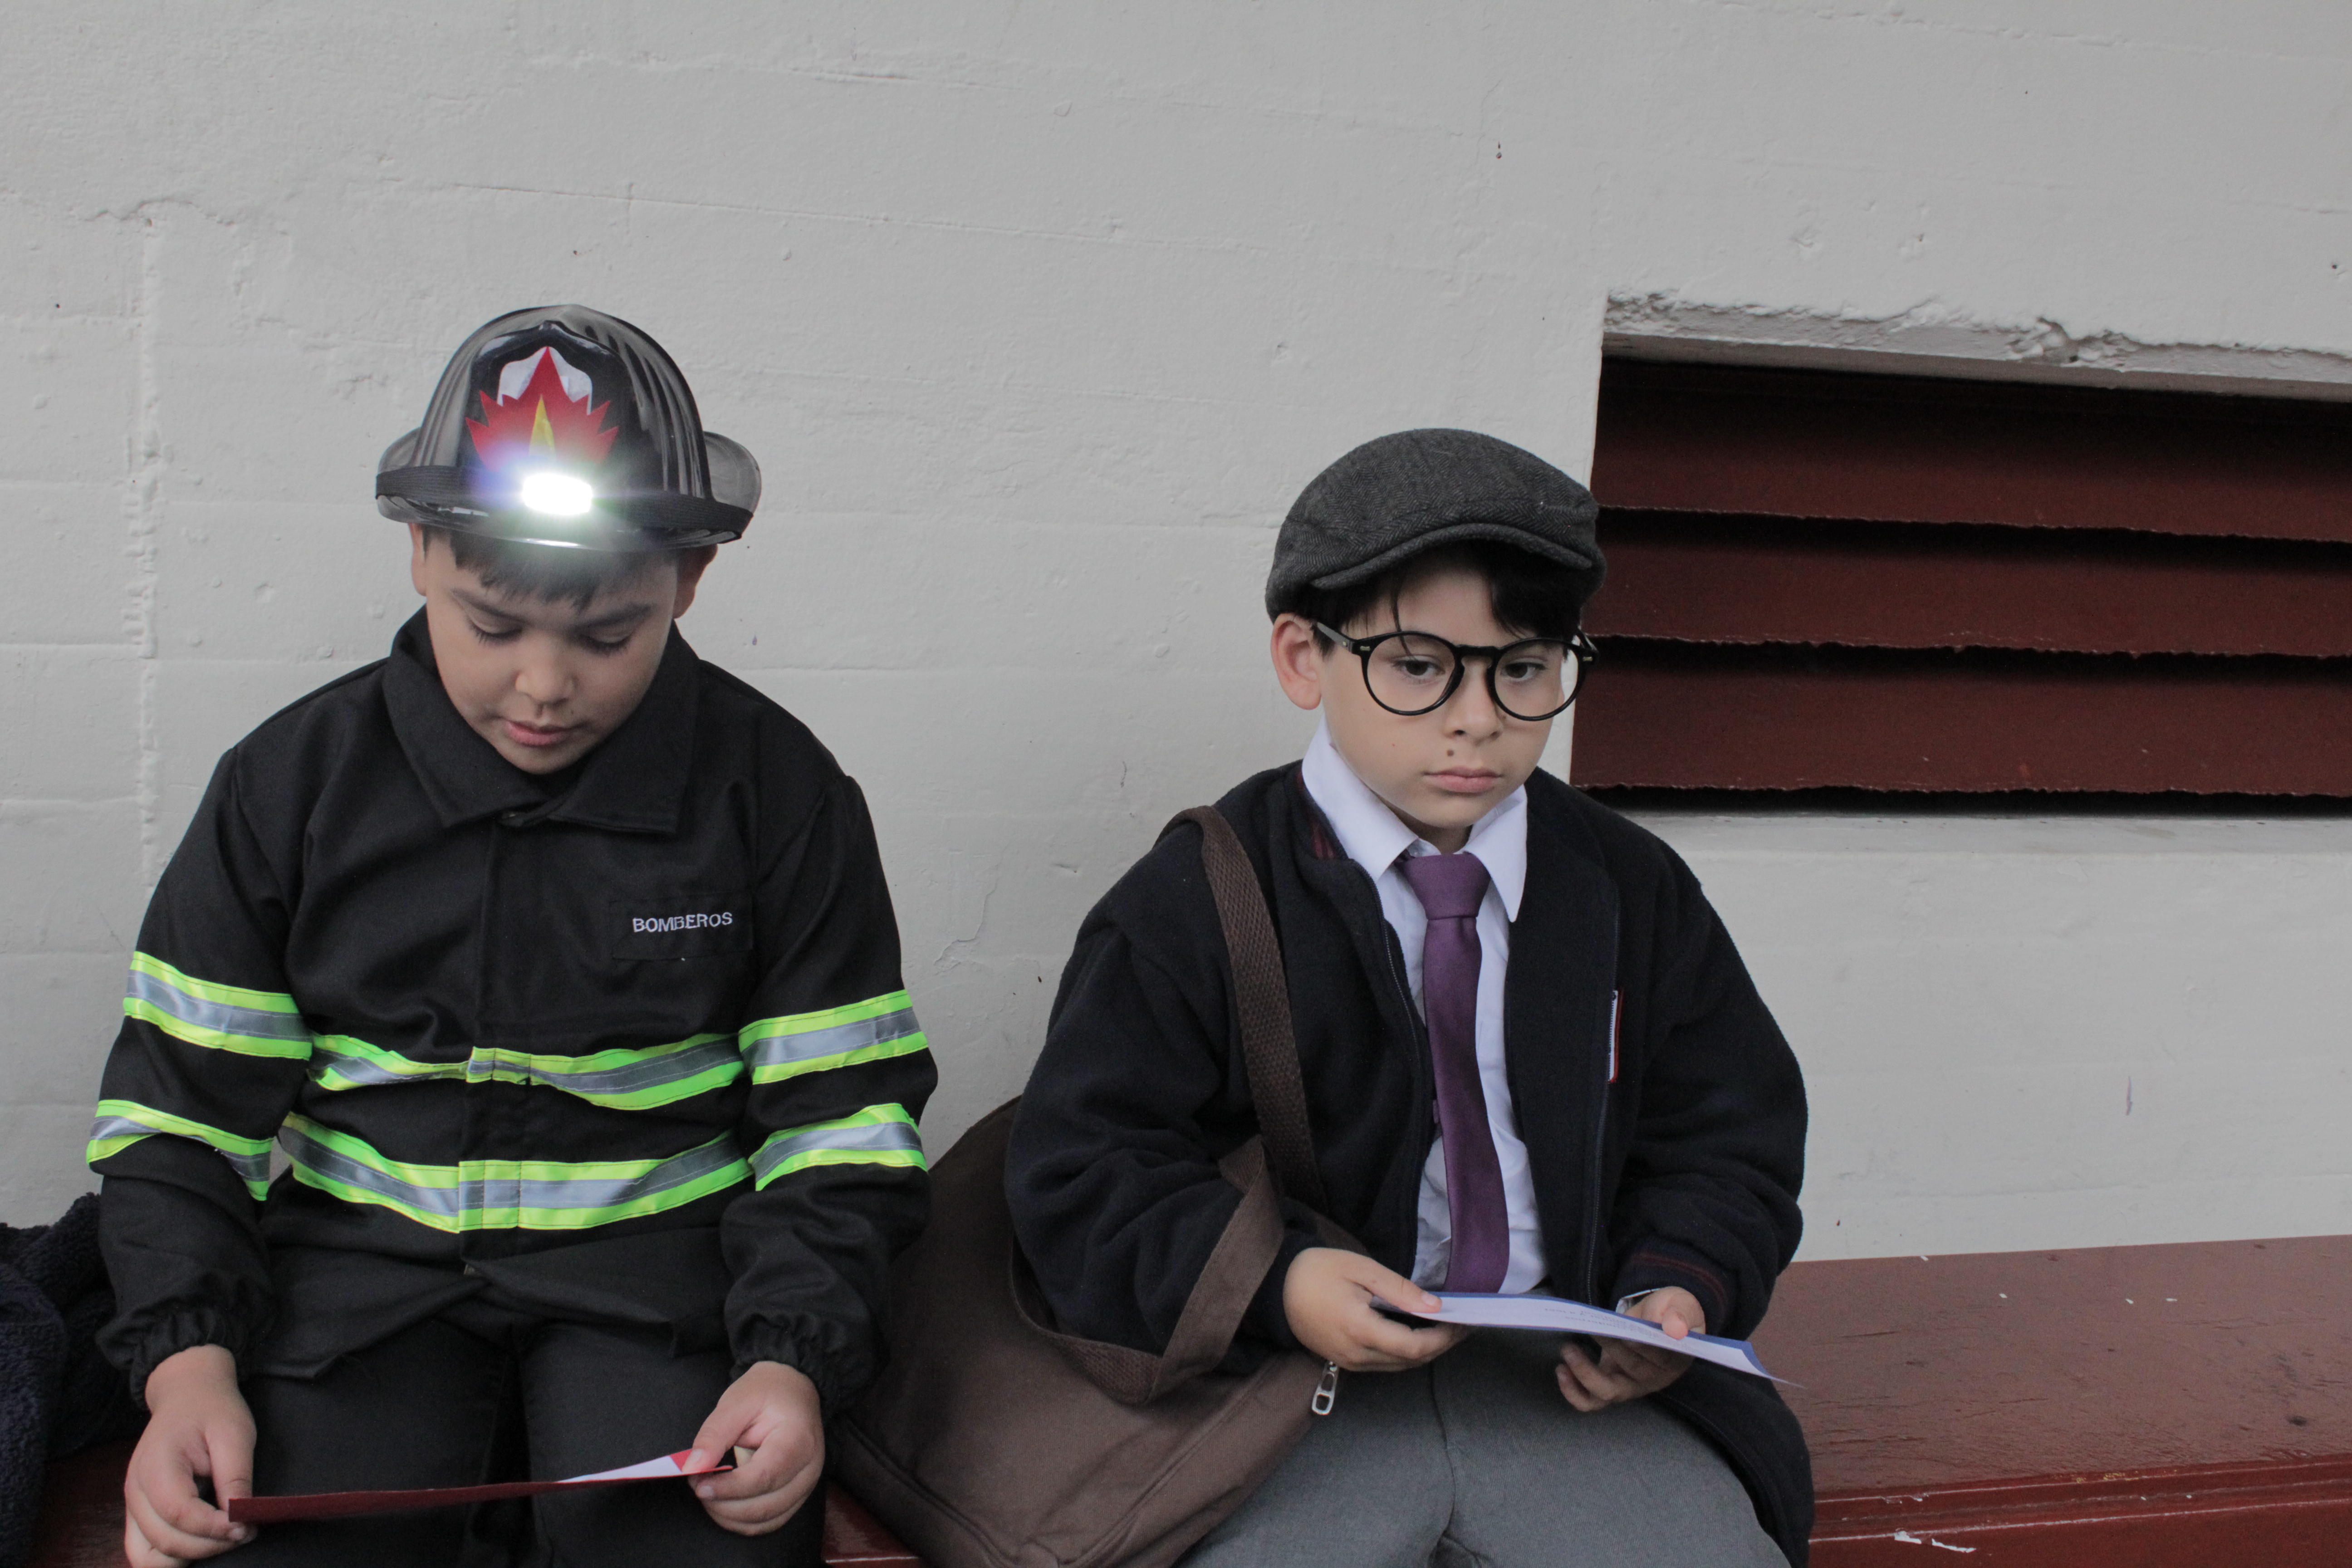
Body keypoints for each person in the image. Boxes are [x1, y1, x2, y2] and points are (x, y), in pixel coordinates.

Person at [88, 306, 935, 1568]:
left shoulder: (782, 797)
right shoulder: (288, 787)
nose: (544, 684)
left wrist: (792, 1364)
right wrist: (188, 1370)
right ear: (421, 553)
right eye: (493, 625)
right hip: (355, 1292)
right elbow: (177, 1120)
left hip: (662, 1296)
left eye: (607, 636)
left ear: (688, 581)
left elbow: (842, 1129)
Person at [1004, 429, 1811, 1566]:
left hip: (1565, 1384)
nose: (1478, 716)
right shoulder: (1198, 897)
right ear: (1304, 657)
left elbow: (1727, 1134)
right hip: (1284, 1397)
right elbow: (1084, 1170)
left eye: (1523, 667)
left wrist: (1679, 1287)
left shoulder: (1629, 889)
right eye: (1420, 664)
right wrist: (1278, 1283)